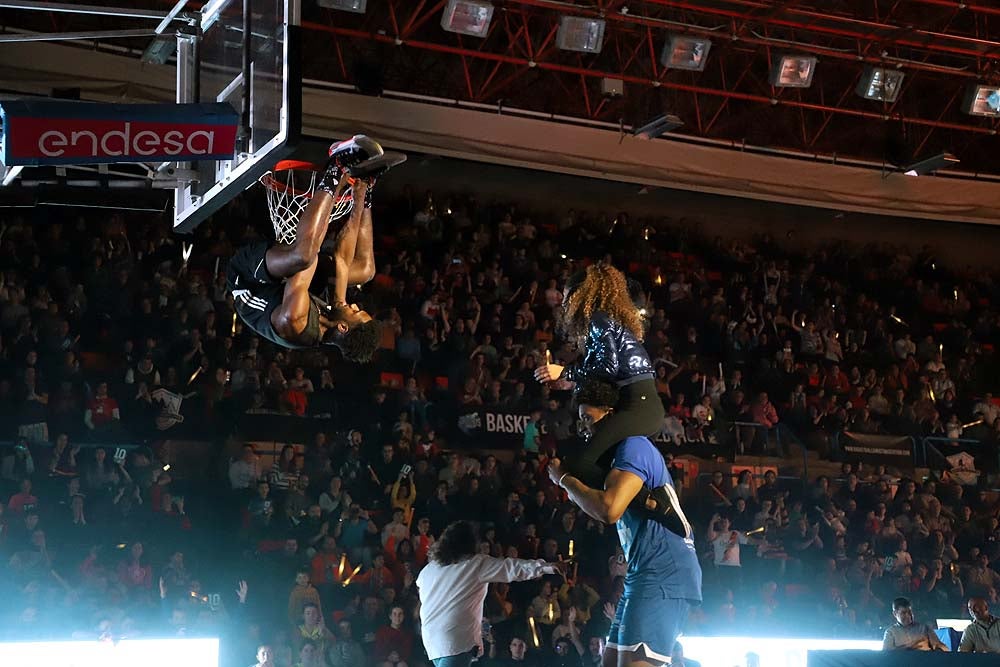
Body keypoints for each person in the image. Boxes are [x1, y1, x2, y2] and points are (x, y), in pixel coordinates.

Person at [548, 378, 702, 667]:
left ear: (611, 414)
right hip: (642, 575)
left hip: (663, 573)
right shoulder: (619, 456)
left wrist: (564, 480)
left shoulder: (634, 446)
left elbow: (609, 510)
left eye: (588, 418)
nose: (585, 427)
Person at [227, 135, 403, 358]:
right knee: (365, 271)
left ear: (343, 327)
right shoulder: (336, 313)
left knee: (305, 255)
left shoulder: (295, 321)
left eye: (357, 313)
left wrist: (338, 183)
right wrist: (360, 197)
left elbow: (311, 256)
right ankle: (367, 183)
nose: (356, 307)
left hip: (247, 277)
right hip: (284, 281)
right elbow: (342, 258)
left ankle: (337, 165)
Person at [533, 263, 661, 487]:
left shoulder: (599, 319)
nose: (564, 303)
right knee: (601, 466)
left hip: (638, 405)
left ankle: (653, 500)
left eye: (566, 296)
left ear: (581, 295)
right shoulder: (609, 321)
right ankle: (648, 500)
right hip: (641, 403)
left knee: (578, 466)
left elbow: (606, 367)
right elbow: (607, 374)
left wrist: (564, 371)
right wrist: (568, 383)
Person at [416, 520, 567, 667]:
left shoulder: (428, 570)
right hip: (455, 641)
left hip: (432, 640)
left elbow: (423, 590)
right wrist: (547, 567)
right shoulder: (475, 564)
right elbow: (512, 568)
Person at [882, 597, 948, 651]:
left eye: (910, 612)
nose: (908, 615)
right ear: (895, 614)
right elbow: (886, 655)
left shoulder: (924, 628)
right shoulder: (890, 632)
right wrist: (909, 648)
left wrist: (940, 648)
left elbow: (938, 645)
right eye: (903, 613)